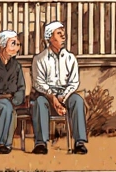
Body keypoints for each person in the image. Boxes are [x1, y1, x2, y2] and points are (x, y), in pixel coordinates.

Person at [30, 21, 88, 155]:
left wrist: (63, 97)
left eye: (63, 34)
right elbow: (39, 83)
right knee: (39, 103)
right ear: (50, 37)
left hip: (65, 95)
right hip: (46, 95)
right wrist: (53, 98)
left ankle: (79, 142)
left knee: (78, 101)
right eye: (59, 34)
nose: (63, 37)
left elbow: (74, 82)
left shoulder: (70, 58)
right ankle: (40, 142)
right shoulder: (39, 59)